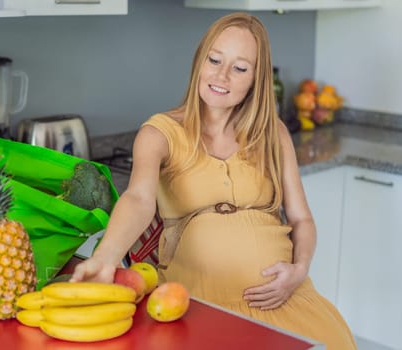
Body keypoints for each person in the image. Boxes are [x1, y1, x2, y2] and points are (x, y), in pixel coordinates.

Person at [71, 12, 356, 349]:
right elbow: (138, 200)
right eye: (215, 59)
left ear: (256, 78)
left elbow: (301, 218)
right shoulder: (159, 133)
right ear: (200, 61)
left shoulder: (273, 133)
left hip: (283, 301)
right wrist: (104, 258)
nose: (222, 75)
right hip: (199, 306)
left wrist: (300, 269)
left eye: (239, 67)